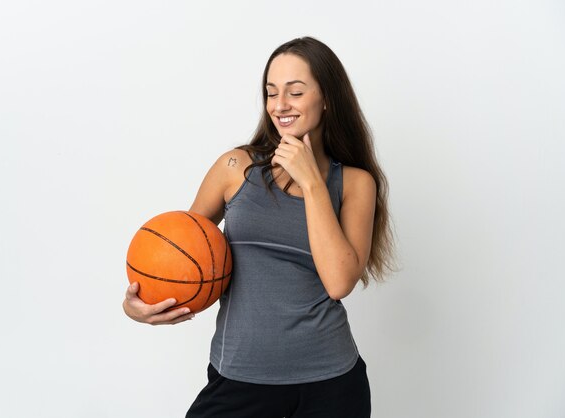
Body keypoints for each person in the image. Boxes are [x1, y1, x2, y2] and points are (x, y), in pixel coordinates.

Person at [123, 36, 396, 418]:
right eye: (271, 93)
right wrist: (138, 303)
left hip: (332, 384)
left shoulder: (354, 184)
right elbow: (179, 254)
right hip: (239, 379)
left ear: (327, 98)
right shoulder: (235, 169)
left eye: (295, 92)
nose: (280, 105)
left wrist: (312, 182)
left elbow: (339, 283)